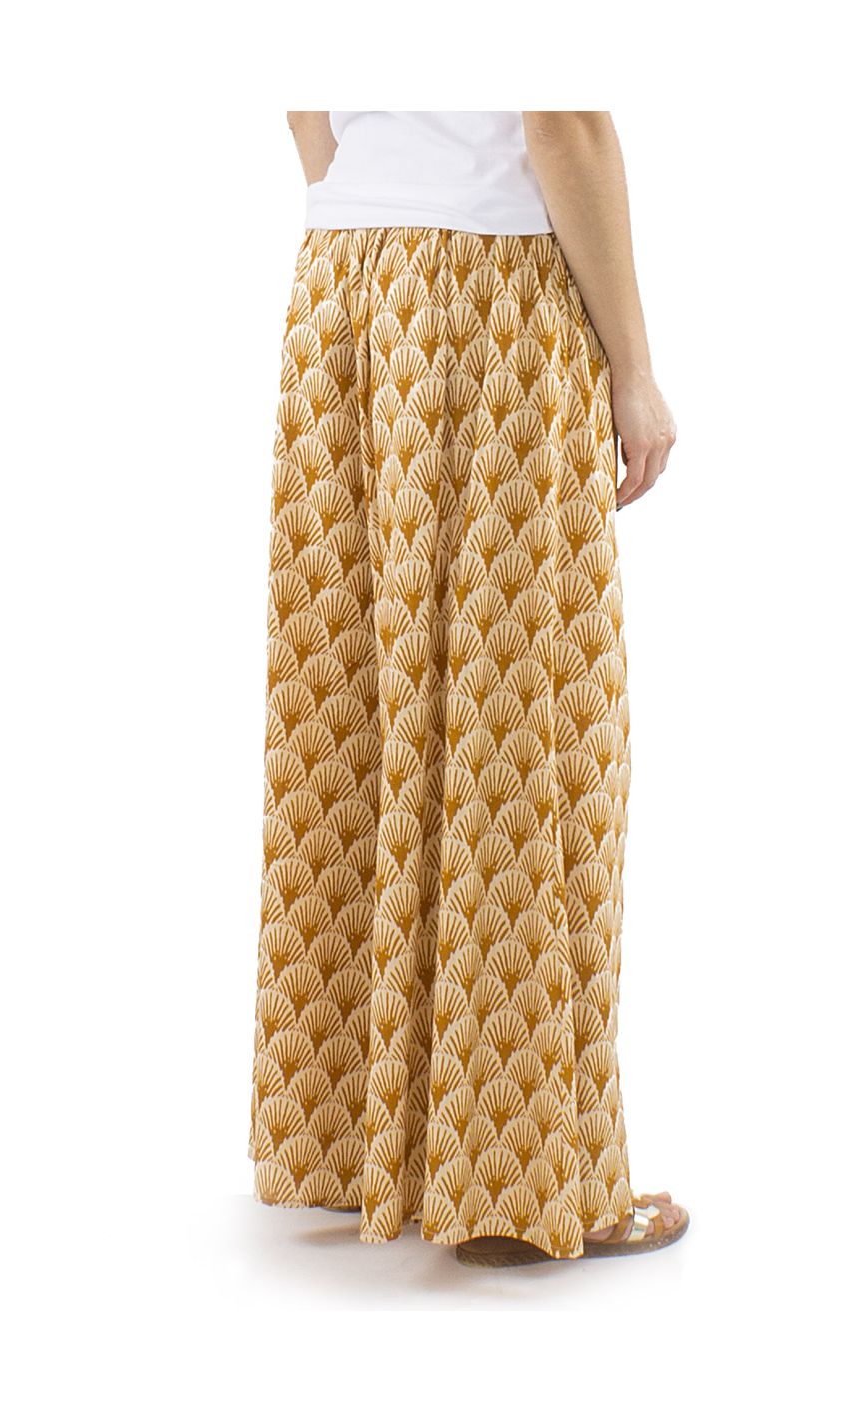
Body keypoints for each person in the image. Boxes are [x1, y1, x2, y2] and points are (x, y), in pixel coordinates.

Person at [247, 111, 685, 1266]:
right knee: (522, 726)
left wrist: (382, 196)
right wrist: (633, 372)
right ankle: (509, 1184)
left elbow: (306, 98)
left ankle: (353, 1139)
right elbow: (563, 122)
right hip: (486, 292)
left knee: (354, 709)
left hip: (342, 282)